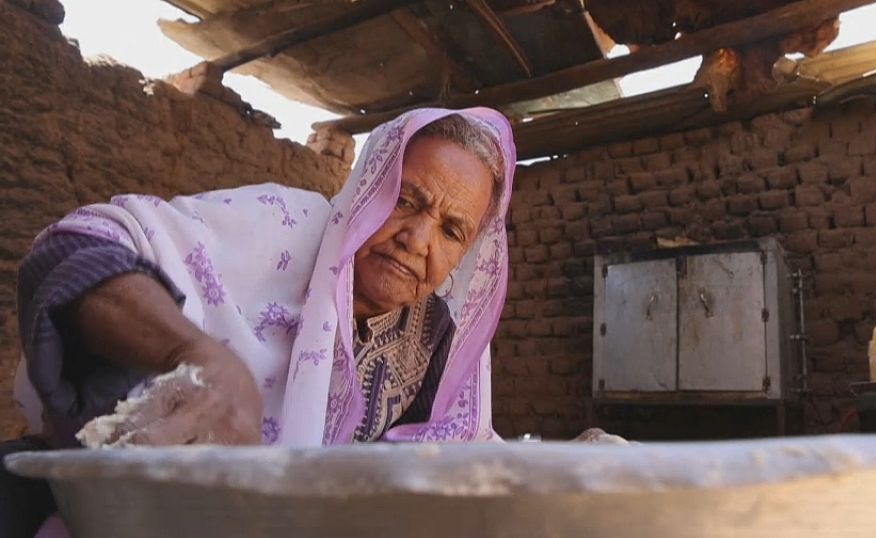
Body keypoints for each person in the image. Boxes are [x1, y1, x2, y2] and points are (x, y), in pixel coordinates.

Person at [2, 107, 516, 535]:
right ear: (367, 186)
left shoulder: (437, 338)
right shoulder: (282, 226)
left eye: (451, 230)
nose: (418, 239)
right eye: (404, 199)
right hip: (109, 510)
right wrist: (198, 355)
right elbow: (80, 247)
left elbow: (439, 465)